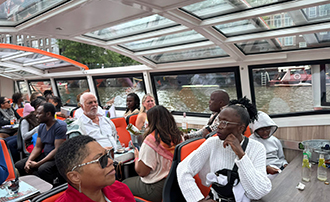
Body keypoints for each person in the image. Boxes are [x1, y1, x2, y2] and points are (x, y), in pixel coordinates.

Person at [177, 97, 271, 202]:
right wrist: (198, 199)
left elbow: (257, 193)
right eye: (219, 121)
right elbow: (183, 169)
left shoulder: (257, 148)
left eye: (225, 123)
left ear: (240, 128)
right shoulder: (213, 143)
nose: (219, 127)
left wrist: (241, 155)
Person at [123, 105, 183, 202]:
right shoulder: (179, 137)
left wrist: (137, 158)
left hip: (155, 188)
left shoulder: (151, 141)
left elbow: (142, 172)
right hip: (174, 185)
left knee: (123, 185)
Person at [55, 135, 135, 202]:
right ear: (75, 177)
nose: (110, 161)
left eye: (108, 155)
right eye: (101, 160)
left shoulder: (119, 188)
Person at [15, 103, 67, 184]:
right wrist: (29, 160)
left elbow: (57, 150)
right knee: (19, 165)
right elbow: (38, 147)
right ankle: (32, 187)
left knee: (43, 169)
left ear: (48, 114)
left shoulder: (60, 126)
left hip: (56, 157)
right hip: (45, 154)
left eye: (39, 113)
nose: (36, 116)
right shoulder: (42, 126)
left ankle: (51, 189)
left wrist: (38, 164)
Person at [249, 111, 288, 177]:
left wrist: (285, 164)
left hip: (278, 168)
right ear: (255, 129)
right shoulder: (251, 141)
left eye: (267, 129)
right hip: (261, 171)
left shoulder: (275, 140)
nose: (265, 132)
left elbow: (281, 158)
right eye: (261, 130)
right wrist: (266, 168)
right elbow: (250, 163)